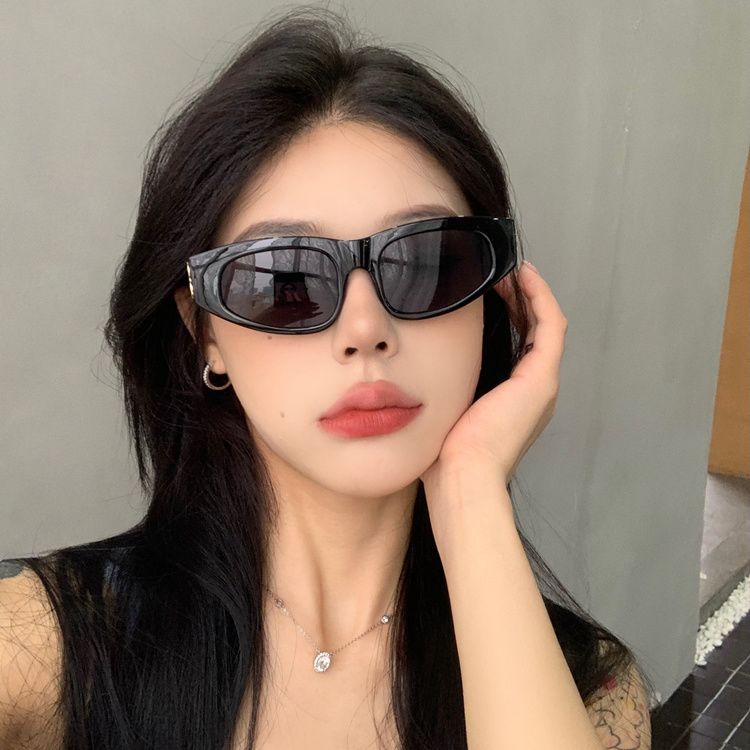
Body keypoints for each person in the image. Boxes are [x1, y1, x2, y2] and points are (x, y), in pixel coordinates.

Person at [0, 6, 657, 748]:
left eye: (427, 261)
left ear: (490, 298)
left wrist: (471, 494)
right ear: (205, 331)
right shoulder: (46, 648)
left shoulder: (591, 694)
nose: (365, 329)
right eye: (284, 280)